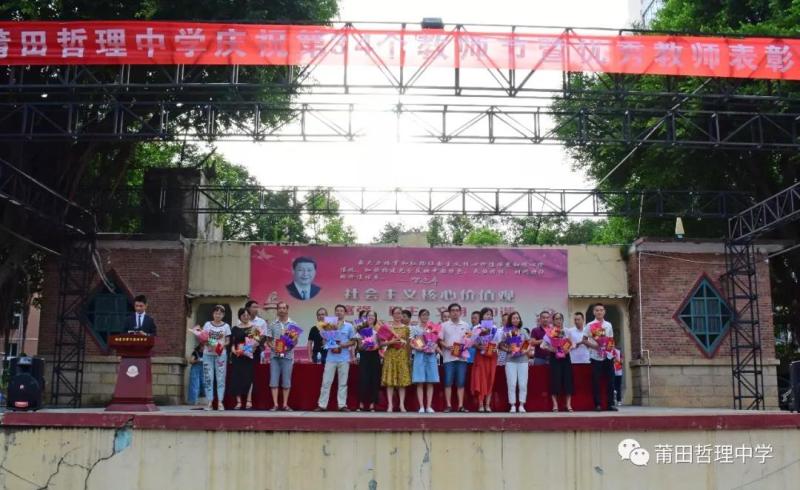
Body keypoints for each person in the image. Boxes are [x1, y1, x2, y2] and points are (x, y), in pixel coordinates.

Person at [315, 304, 357, 411]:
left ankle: (342, 405)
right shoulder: (329, 325)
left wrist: (343, 345)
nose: (339, 312)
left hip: (344, 358)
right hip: (330, 358)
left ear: (345, 313)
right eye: (337, 310)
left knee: (343, 383)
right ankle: (322, 405)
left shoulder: (349, 326)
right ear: (335, 313)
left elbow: (353, 341)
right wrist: (327, 342)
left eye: (341, 311)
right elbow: (324, 340)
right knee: (326, 382)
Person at [189, 305, 230, 411]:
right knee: (208, 378)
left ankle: (220, 402)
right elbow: (203, 337)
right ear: (213, 314)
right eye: (216, 313)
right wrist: (207, 342)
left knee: (220, 378)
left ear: (223, 315)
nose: (218, 315)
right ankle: (209, 402)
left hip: (221, 354)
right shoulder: (207, 324)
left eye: (220, 313)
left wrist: (221, 345)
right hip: (208, 354)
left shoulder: (226, 326)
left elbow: (228, 341)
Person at [229, 307, 262, 410]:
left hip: (249, 357)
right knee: (237, 378)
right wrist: (234, 350)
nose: (246, 317)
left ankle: (249, 400)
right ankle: (238, 402)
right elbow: (232, 343)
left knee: (249, 378)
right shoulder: (234, 328)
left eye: (248, 315)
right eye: (243, 315)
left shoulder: (254, 328)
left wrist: (249, 348)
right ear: (240, 316)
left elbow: (257, 342)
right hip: (238, 357)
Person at [265, 301, 296, 411]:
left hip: (287, 356)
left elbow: (295, 341)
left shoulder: (293, 325)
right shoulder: (272, 324)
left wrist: (287, 348)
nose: (282, 310)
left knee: (286, 381)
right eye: (280, 308)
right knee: (274, 380)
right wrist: (273, 347)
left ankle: (285, 404)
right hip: (275, 357)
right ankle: (275, 404)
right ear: (277, 310)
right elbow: (268, 340)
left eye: (284, 308)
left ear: (287, 309)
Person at [440, 303, 470, 413]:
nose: (455, 312)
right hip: (448, 358)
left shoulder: (465, 325)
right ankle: (448, 405)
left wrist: (465, 346)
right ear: (449, 312)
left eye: (457, 310)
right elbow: (440, 340)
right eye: (453, 310)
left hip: (462, 358)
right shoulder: (444, 325)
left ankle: (460, 406)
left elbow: (469, 339)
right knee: (448, 381)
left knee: (461, 382)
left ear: (460, 312)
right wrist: (447, 346)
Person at [587, 303, 617, 411]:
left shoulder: (608, 325)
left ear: (604, 311)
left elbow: (611, 339)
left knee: (611, 381)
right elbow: (584, 340)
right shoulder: (590, 325)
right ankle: (597, 404)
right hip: (595, 356)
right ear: (594, 312)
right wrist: (595, 346)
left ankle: (610, 404)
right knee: (596, 381)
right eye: (597, 310)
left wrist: (610, 350)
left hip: (608, 356)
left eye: (601, 310)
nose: (599, 312)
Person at [470, 307, 501, 412]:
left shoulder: (495, 328)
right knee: (480, 379)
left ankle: (487, 405)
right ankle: (480, 404)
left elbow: (498, 342)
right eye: (486, 314)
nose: (489, 316)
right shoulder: (477, 327)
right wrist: (479, 342)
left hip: (491, 356)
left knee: (490, 379)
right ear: (482, 316)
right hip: (480, 356)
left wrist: (495, 346)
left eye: (490, 314)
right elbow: (471, 342)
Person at [381, 307, 412, 412]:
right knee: (390, 381)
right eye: (396, 313)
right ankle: (390, 405)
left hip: (402, 356)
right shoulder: (388, 327)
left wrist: (408, 357)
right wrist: (391, 342)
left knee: (402, 382)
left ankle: (402, 405)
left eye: (400, 313)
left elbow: (408, 344)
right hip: (390, 355)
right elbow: (382, 343)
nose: (398, 315)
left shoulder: (406, 328)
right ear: (392, 315)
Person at [542, 312, 574, 412]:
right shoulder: (550, 331)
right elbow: (543, 345)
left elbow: (573, 344)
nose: (558, 321)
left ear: (563, 320)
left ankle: (568, 404)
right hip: (554, 358)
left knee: (568, 380)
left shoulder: (567, 331)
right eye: (556, 319)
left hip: (566, 357)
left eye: (560, 319)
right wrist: (552, 349)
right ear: (553, 321)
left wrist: (568, 348)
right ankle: (555, 405)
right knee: (555, 380)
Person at [411, 308, 440, 414]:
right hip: (419, 356)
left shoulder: (432, 328)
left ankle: (428, 406)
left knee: (430, 381)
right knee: (420, 381)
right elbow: (412, 342)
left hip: (430, 356)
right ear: (419, 317)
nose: (425, 317)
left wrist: (434, 346)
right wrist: (418, 347)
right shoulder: (415, 328)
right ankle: (421, 406)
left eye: (427, 315)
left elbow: (436, 341)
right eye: (423, 315)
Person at [500, 311, 530, 413]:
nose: (516, 320)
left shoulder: (523, 331)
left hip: (523, 360)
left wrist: (525, 350)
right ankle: (512, 405)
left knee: (522, 384)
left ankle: (521, 404)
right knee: (511, 383)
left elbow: (528, 343)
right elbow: (501, 345)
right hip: (510, 360)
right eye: (513, 318)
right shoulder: (506, 332)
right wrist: (509, 349)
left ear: (520, 320)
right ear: (510, 320)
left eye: (517, 318)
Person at [356, 310, 382, 411]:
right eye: (369, 315)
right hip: (364, 356)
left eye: (373, 316)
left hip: (374, 356)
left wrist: (376, 346)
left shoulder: (378, 330)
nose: (371, 317)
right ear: (365, 318)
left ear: (375, 318)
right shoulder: (361, 330)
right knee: (363, 379)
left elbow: (381, 344)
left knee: (374, 379)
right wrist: (365, 344)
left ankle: (372, 403)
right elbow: (359, 347)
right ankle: (361, 403)